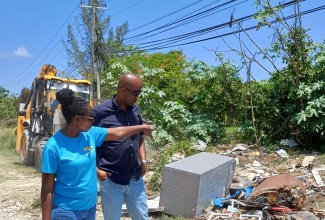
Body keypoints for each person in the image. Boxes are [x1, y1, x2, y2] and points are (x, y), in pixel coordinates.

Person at [40, 88, 153, 220]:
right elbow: (47, 189)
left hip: (89, 210)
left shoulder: (90, 134)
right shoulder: (53, 147)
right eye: (90, 118)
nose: (93, 120)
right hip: (66, 211)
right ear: (77, 119)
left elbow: (118, 132)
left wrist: (142, 127)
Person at [92, 73, 149, 220]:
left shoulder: (135, 110)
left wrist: (143, 160)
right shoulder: (99, 112)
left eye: (139, 93)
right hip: (111, 179)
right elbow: (86, 142)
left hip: (134, 177)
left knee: (142, 217)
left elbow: (140, 136)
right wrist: (97, 170)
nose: (137, 97)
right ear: (123, 90)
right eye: (135, 93)